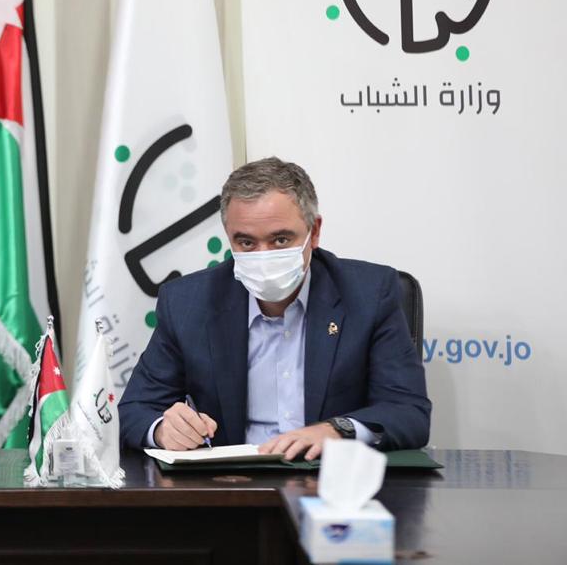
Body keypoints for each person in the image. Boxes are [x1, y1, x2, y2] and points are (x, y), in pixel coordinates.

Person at [119, 157, 430, 460]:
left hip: (328, 480)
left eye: (280, 240)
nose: (263, 256)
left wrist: (337, 430)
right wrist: (163, 430)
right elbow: (134, 410)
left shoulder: (369, 294)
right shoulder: (188, 303)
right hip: (230, 484)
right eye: (246, 243)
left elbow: (408, 412)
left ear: (314, 232)